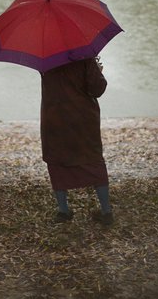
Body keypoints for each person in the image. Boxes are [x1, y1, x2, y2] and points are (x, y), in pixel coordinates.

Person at [40, 56, 113, 226]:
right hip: (82, 117)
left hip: (55, 117)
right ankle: (106, 211)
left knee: (57, 158)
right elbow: (97, 89)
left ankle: (63, 211)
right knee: (93, 159)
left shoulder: (45, 59)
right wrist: (98, 71)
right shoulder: (85, 58)